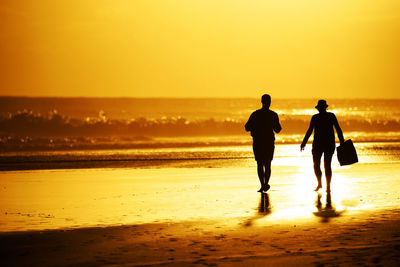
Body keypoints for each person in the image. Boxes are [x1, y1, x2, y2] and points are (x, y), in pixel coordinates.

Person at [301, 100, 344, 192]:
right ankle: (320, 184)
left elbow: (338, 129)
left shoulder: (329, 116)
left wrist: (342, 142)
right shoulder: (317, 117)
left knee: (325, 165)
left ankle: (327, 186)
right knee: (317, 165)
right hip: (320, 144)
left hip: (325, 144)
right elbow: (310, 131)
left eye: (321, 107)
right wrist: (304, 142)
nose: (320, 109)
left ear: (324, 108)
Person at [245, 94, 281, 192]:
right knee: (267, 163)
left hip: (258, 142)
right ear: (269, 102)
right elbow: (278, 130)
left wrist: (255, 127)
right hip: (268, 142)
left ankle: (263, 185)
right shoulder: (273, 115)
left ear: (261, 101)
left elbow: (246, 127)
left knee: (260, 163)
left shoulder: (255, 114)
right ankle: (265, 184)